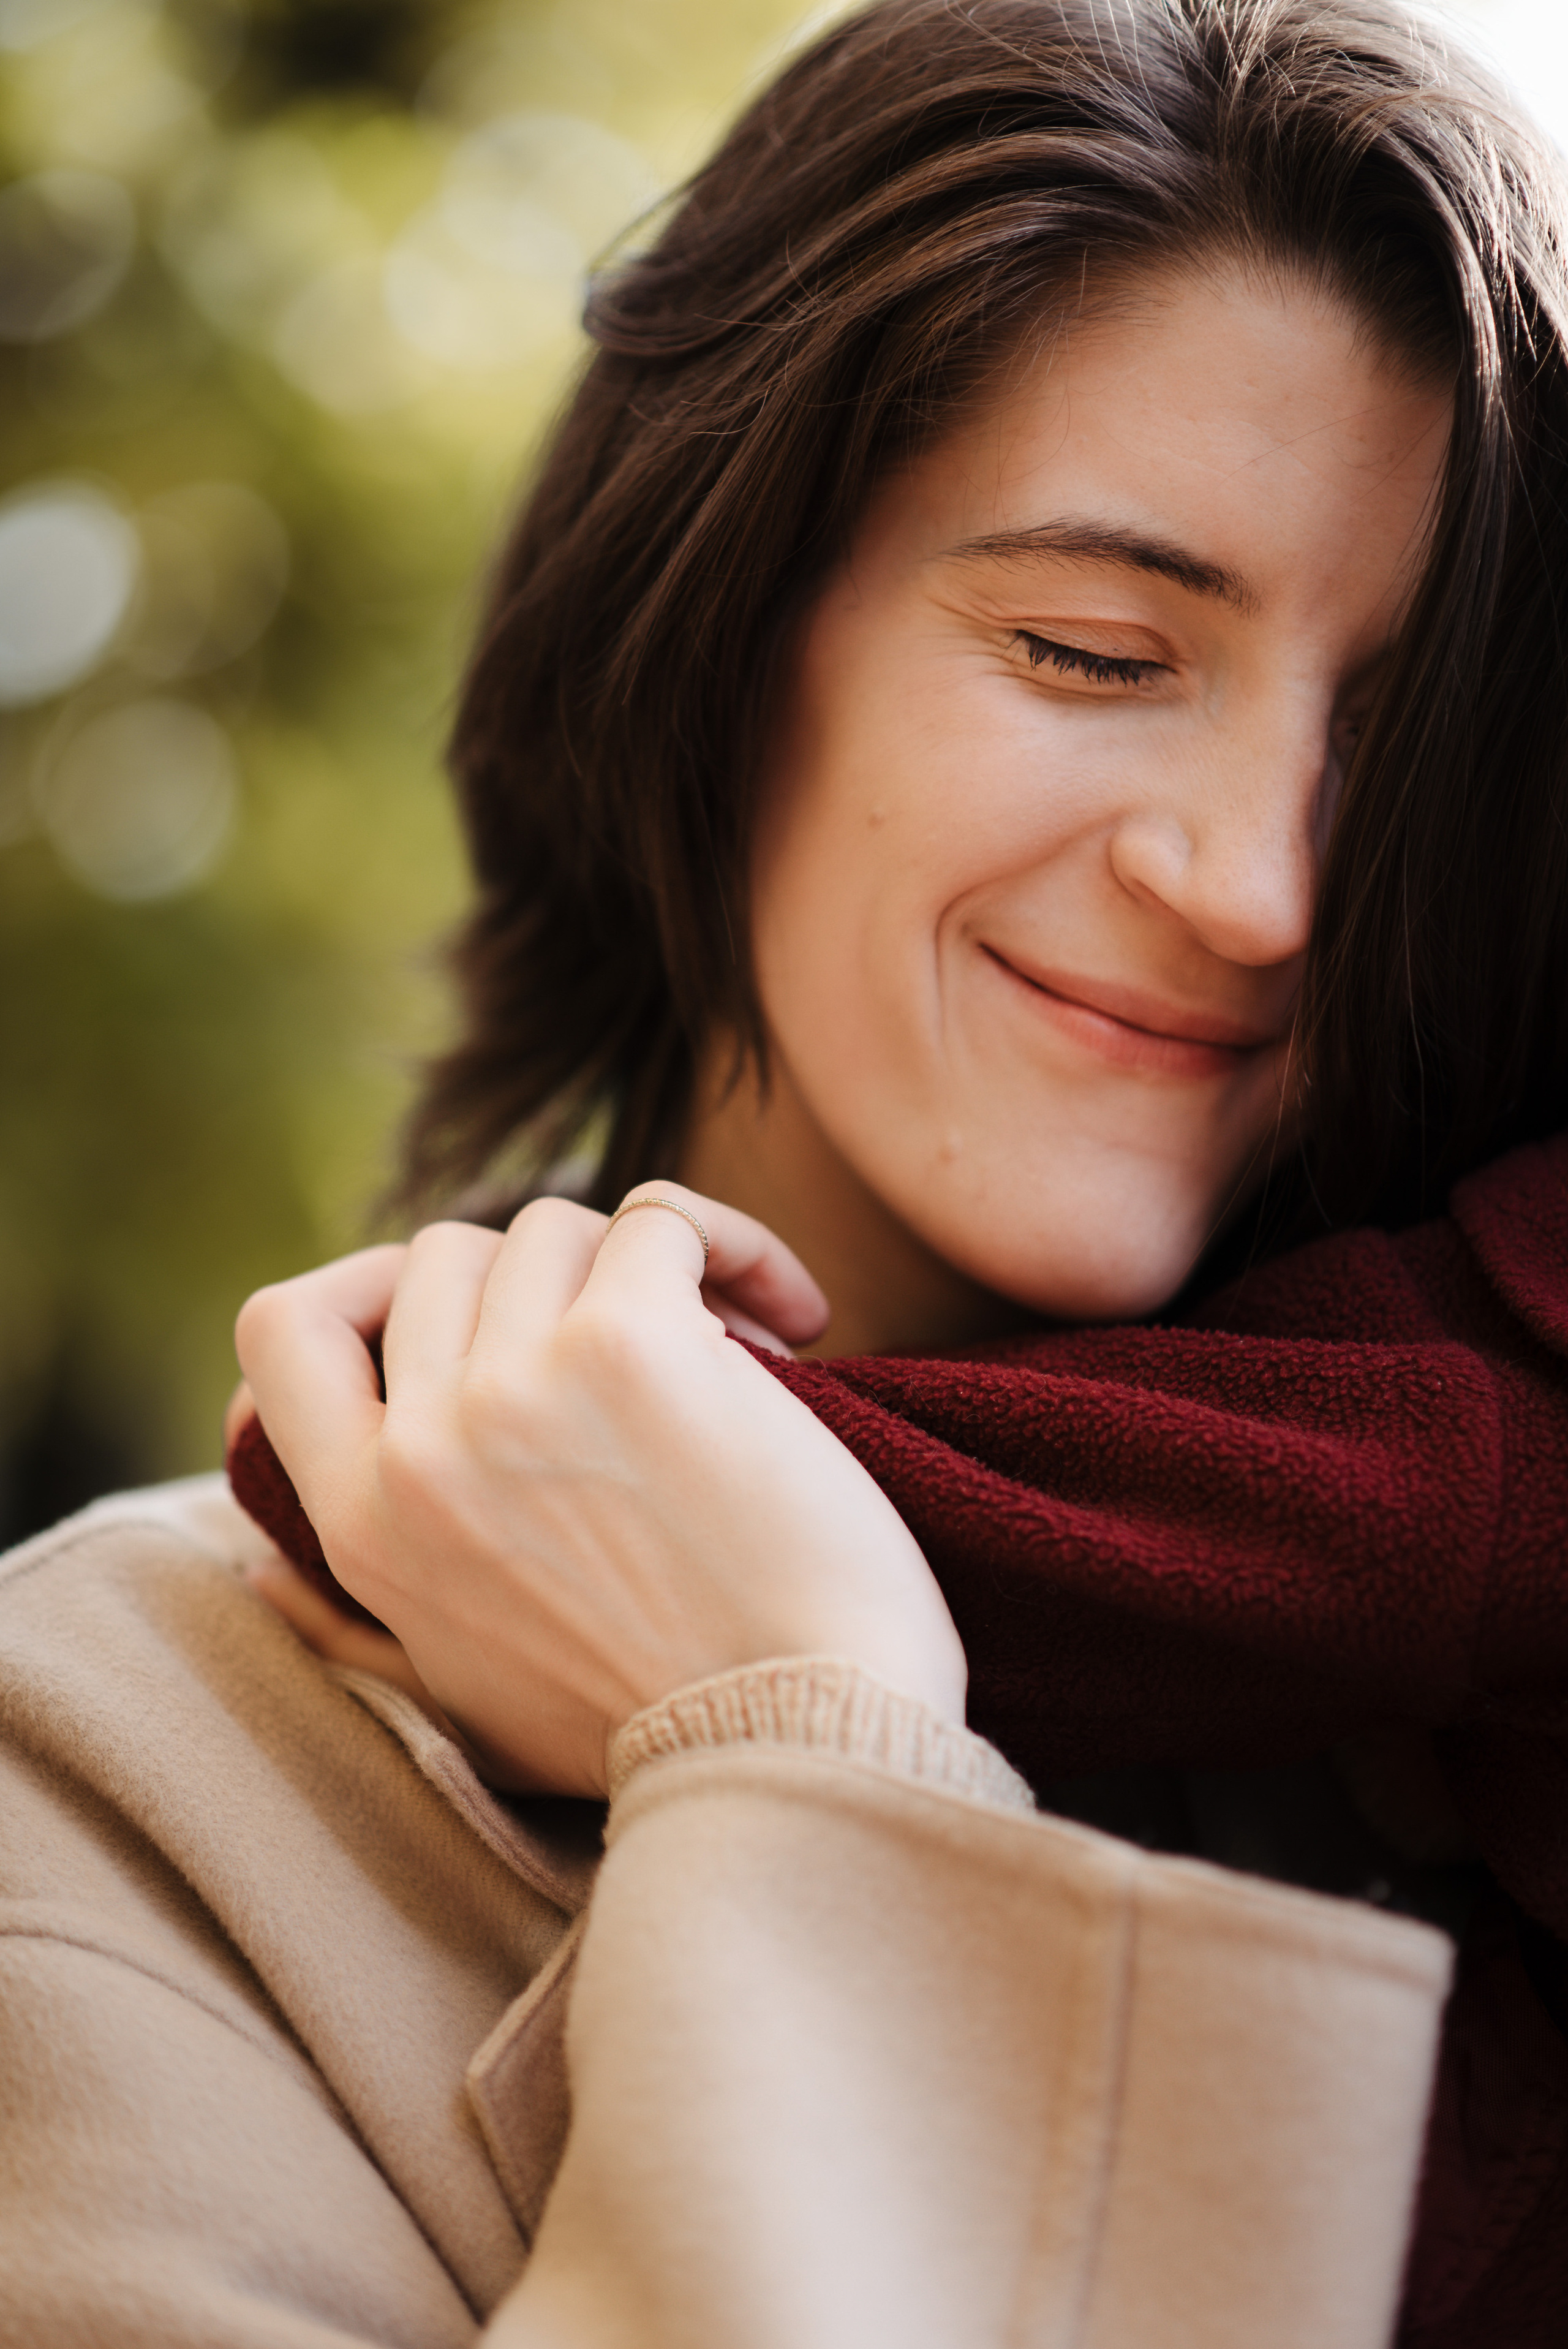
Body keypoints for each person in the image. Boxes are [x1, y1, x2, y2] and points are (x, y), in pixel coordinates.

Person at [5, 1, 1568, 2341]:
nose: (1261, 888)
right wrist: (820, 1727)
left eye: (1396, 745)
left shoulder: (1475, 1724)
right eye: (1089, 646)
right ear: (723, 638)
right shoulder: (119, 1780)